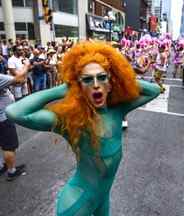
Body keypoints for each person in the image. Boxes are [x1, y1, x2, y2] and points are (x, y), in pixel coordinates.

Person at [5, 42, 160, 215]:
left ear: (109, 83)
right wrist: (62, 89)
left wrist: (118, 77)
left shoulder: (118, 110)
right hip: (76, 203)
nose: (95, 84)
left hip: (103, 198)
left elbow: (154, 90)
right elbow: (14, 112)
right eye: (87, 79)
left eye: (101, 77)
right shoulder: (71, 120)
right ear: (79, 87)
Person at [0, 60, 29, 181]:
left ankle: (1, 166)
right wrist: (26, 66)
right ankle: (11, 171)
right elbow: (19, 80)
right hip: (2, 118)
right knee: (9, 146)